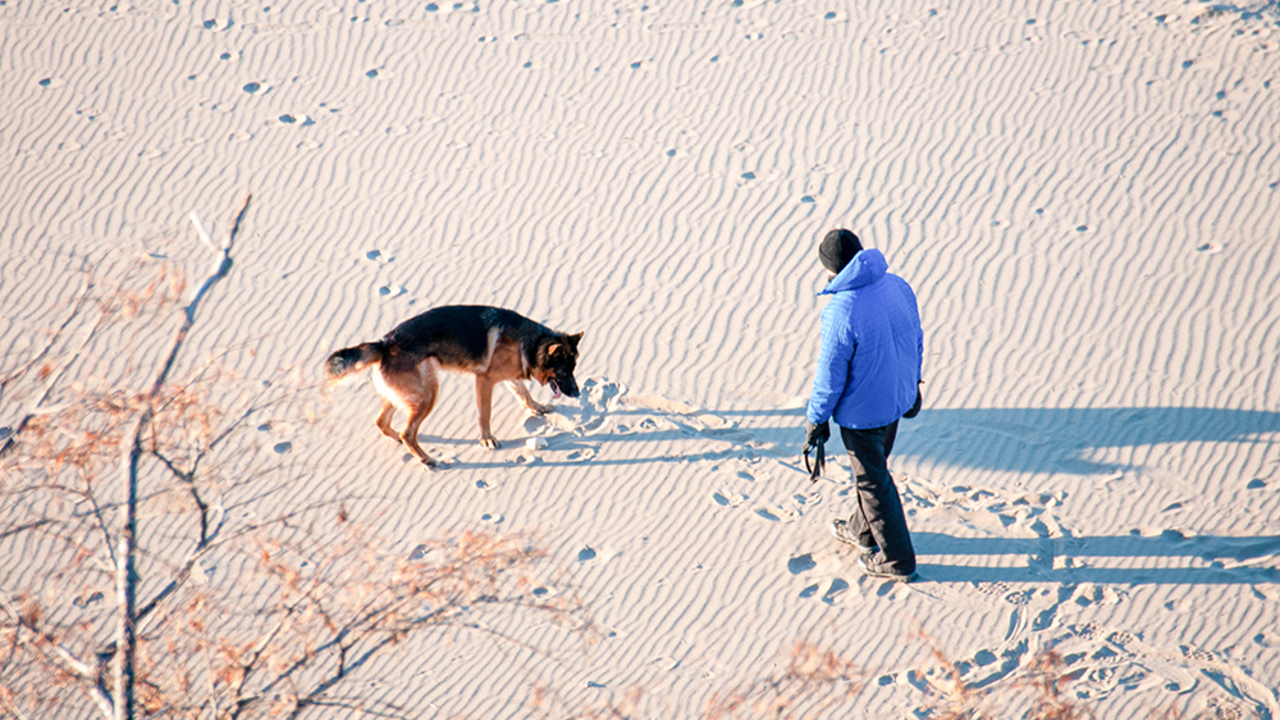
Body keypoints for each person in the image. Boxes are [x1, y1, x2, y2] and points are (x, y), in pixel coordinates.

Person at [804, 229, 923, 582]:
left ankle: (898, 560)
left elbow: (829, 377)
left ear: (830, 269)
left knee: (874, 482)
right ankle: (863, 531)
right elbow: (916, 338)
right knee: (872, 469)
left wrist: (816, 419)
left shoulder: (840, 312)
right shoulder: (898, 285)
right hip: (897, 397)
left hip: (864, 416)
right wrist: (914, 385)